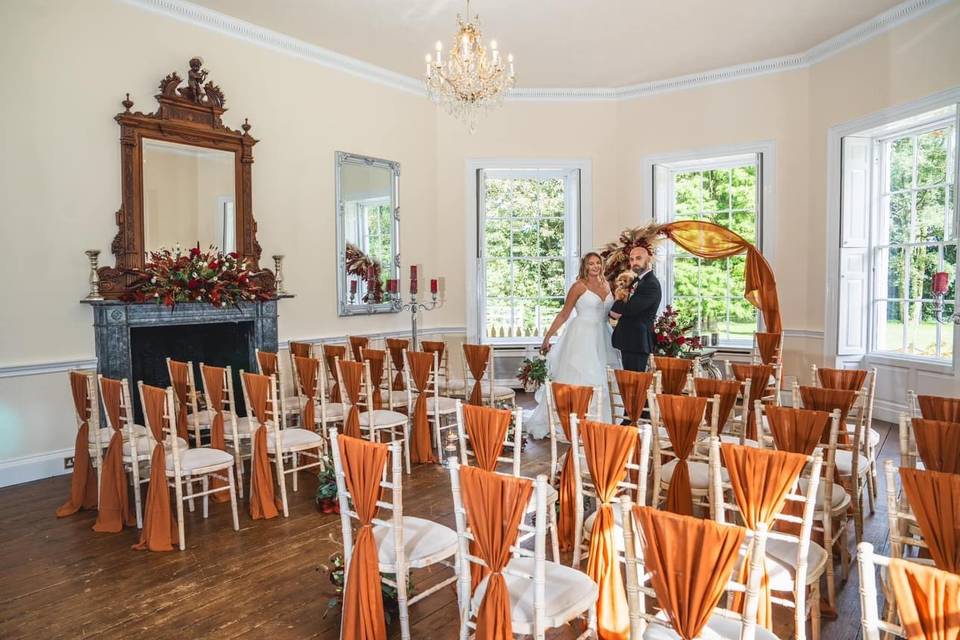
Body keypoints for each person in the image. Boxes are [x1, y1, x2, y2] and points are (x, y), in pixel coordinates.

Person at [525, 253, 621, 439]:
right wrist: (548, 337)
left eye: (598, 263)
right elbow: (564, 314)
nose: (595, 267)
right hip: (582, 336)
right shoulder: (578, 286)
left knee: (605, 375)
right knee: (583, 375)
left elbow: (614, 313)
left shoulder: (607, 285)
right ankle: (576, 420)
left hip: (603, 335)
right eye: (591, 264)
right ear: (585, 266)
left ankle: (602, 420)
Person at [609, 242, 661, 372]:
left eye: (638, 258)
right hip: (629, 341)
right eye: (631, 259)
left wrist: (618, 304)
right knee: (629, 384)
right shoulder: (637, 281)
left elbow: (629, 309)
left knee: (635, 385)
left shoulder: (650, 284)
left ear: (648, 260)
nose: (634, 262)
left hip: (637, 342)